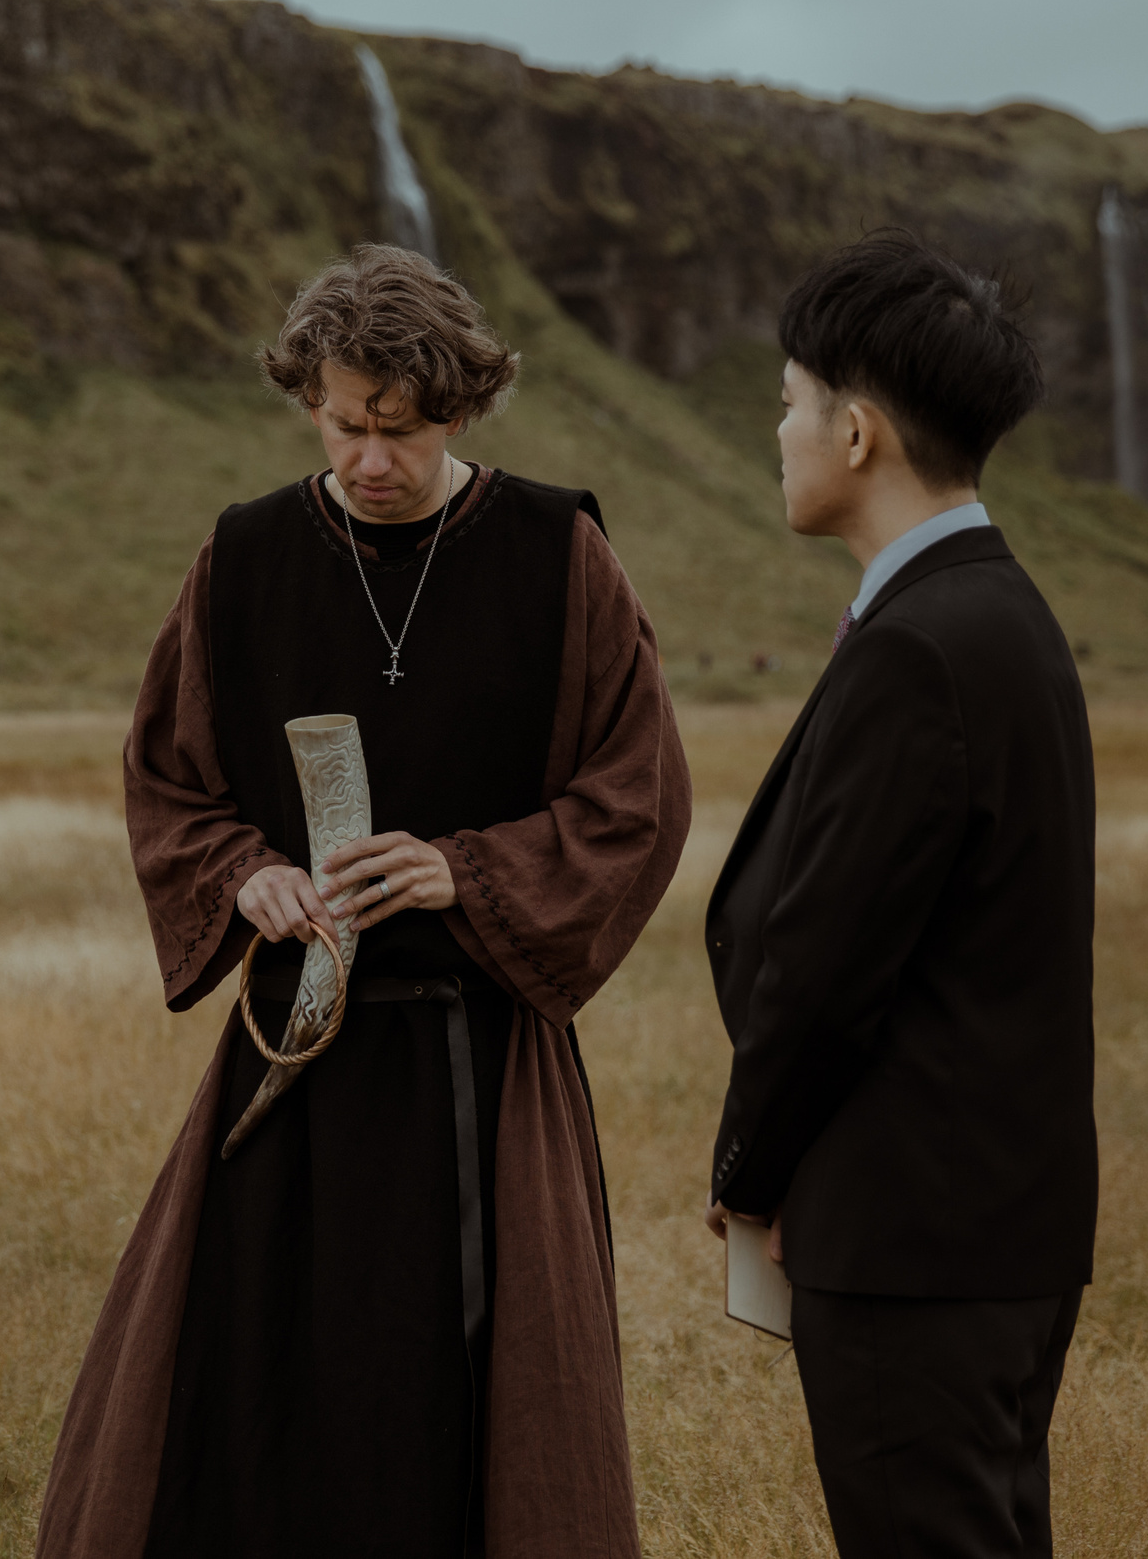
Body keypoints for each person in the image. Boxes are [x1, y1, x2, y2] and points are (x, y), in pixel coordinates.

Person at [38, 246, 691, 1559]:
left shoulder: (559, 553)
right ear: (309, 399)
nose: (370, 457)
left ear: (458, 407)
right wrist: (247, 875)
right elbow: (171, 774)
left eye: (400, 429)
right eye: (345, 424)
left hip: (486, 1061)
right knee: (257, 1376)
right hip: (296, 1051)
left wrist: (474, 869)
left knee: (482, 1402)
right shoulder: (246, 555)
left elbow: (639, 791)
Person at [702, 231, 1098, 1559]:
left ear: (857, 430)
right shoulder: (1004, 610)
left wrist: (748, 1168)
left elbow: (824, 964)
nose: (779, 428)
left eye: (789, 398)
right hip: (1003, 1222)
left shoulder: (921, 645)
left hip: (911, 1236)